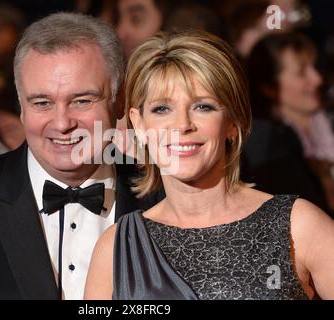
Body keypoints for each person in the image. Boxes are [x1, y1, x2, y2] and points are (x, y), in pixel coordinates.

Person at [0, 12, 162, 300]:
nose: (62, 123)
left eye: (81, 100)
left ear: (119, 102)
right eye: (42, 103)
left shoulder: (165, 198)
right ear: (21, 107)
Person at [84, 31, 334, 300]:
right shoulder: (117, 248)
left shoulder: (298, 225)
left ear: (232, 122)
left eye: (203, 106)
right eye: (161, 109)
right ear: (140, 124)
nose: (182, 125)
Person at [247, 32, 334, 214]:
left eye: (315, 67)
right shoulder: (271, 147)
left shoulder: (329, 118)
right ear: (270, 87)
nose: (317, 79)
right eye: (302, 72)